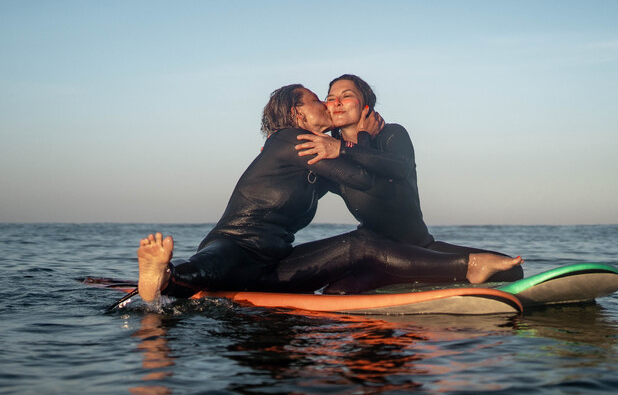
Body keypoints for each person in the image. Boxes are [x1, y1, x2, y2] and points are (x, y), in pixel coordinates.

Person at [137, 85, 522, 303]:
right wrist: (365, 138)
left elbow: (373, 184)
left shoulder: (317, 154)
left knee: (361, 244)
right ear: (297, 115)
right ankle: (163, 277)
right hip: (236, 245)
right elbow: (362, 181)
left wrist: (360, 141)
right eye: (316, 100)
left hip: (276, 267)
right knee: (204, 269)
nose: (326, 103)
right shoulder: (293, 140)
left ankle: (468, 267)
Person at [295, 74, 523, 290]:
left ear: (366, 105)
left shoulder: (392, 134)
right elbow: (303, 191)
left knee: (510, 270)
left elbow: (400, 167)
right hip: (375, 253)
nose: (337, 103)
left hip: (420, 247)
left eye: (346, 95)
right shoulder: (329, 152)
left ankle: (417, 276)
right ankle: (412, 278)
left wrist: (343, 148)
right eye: (331, 98)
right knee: (339, 291)